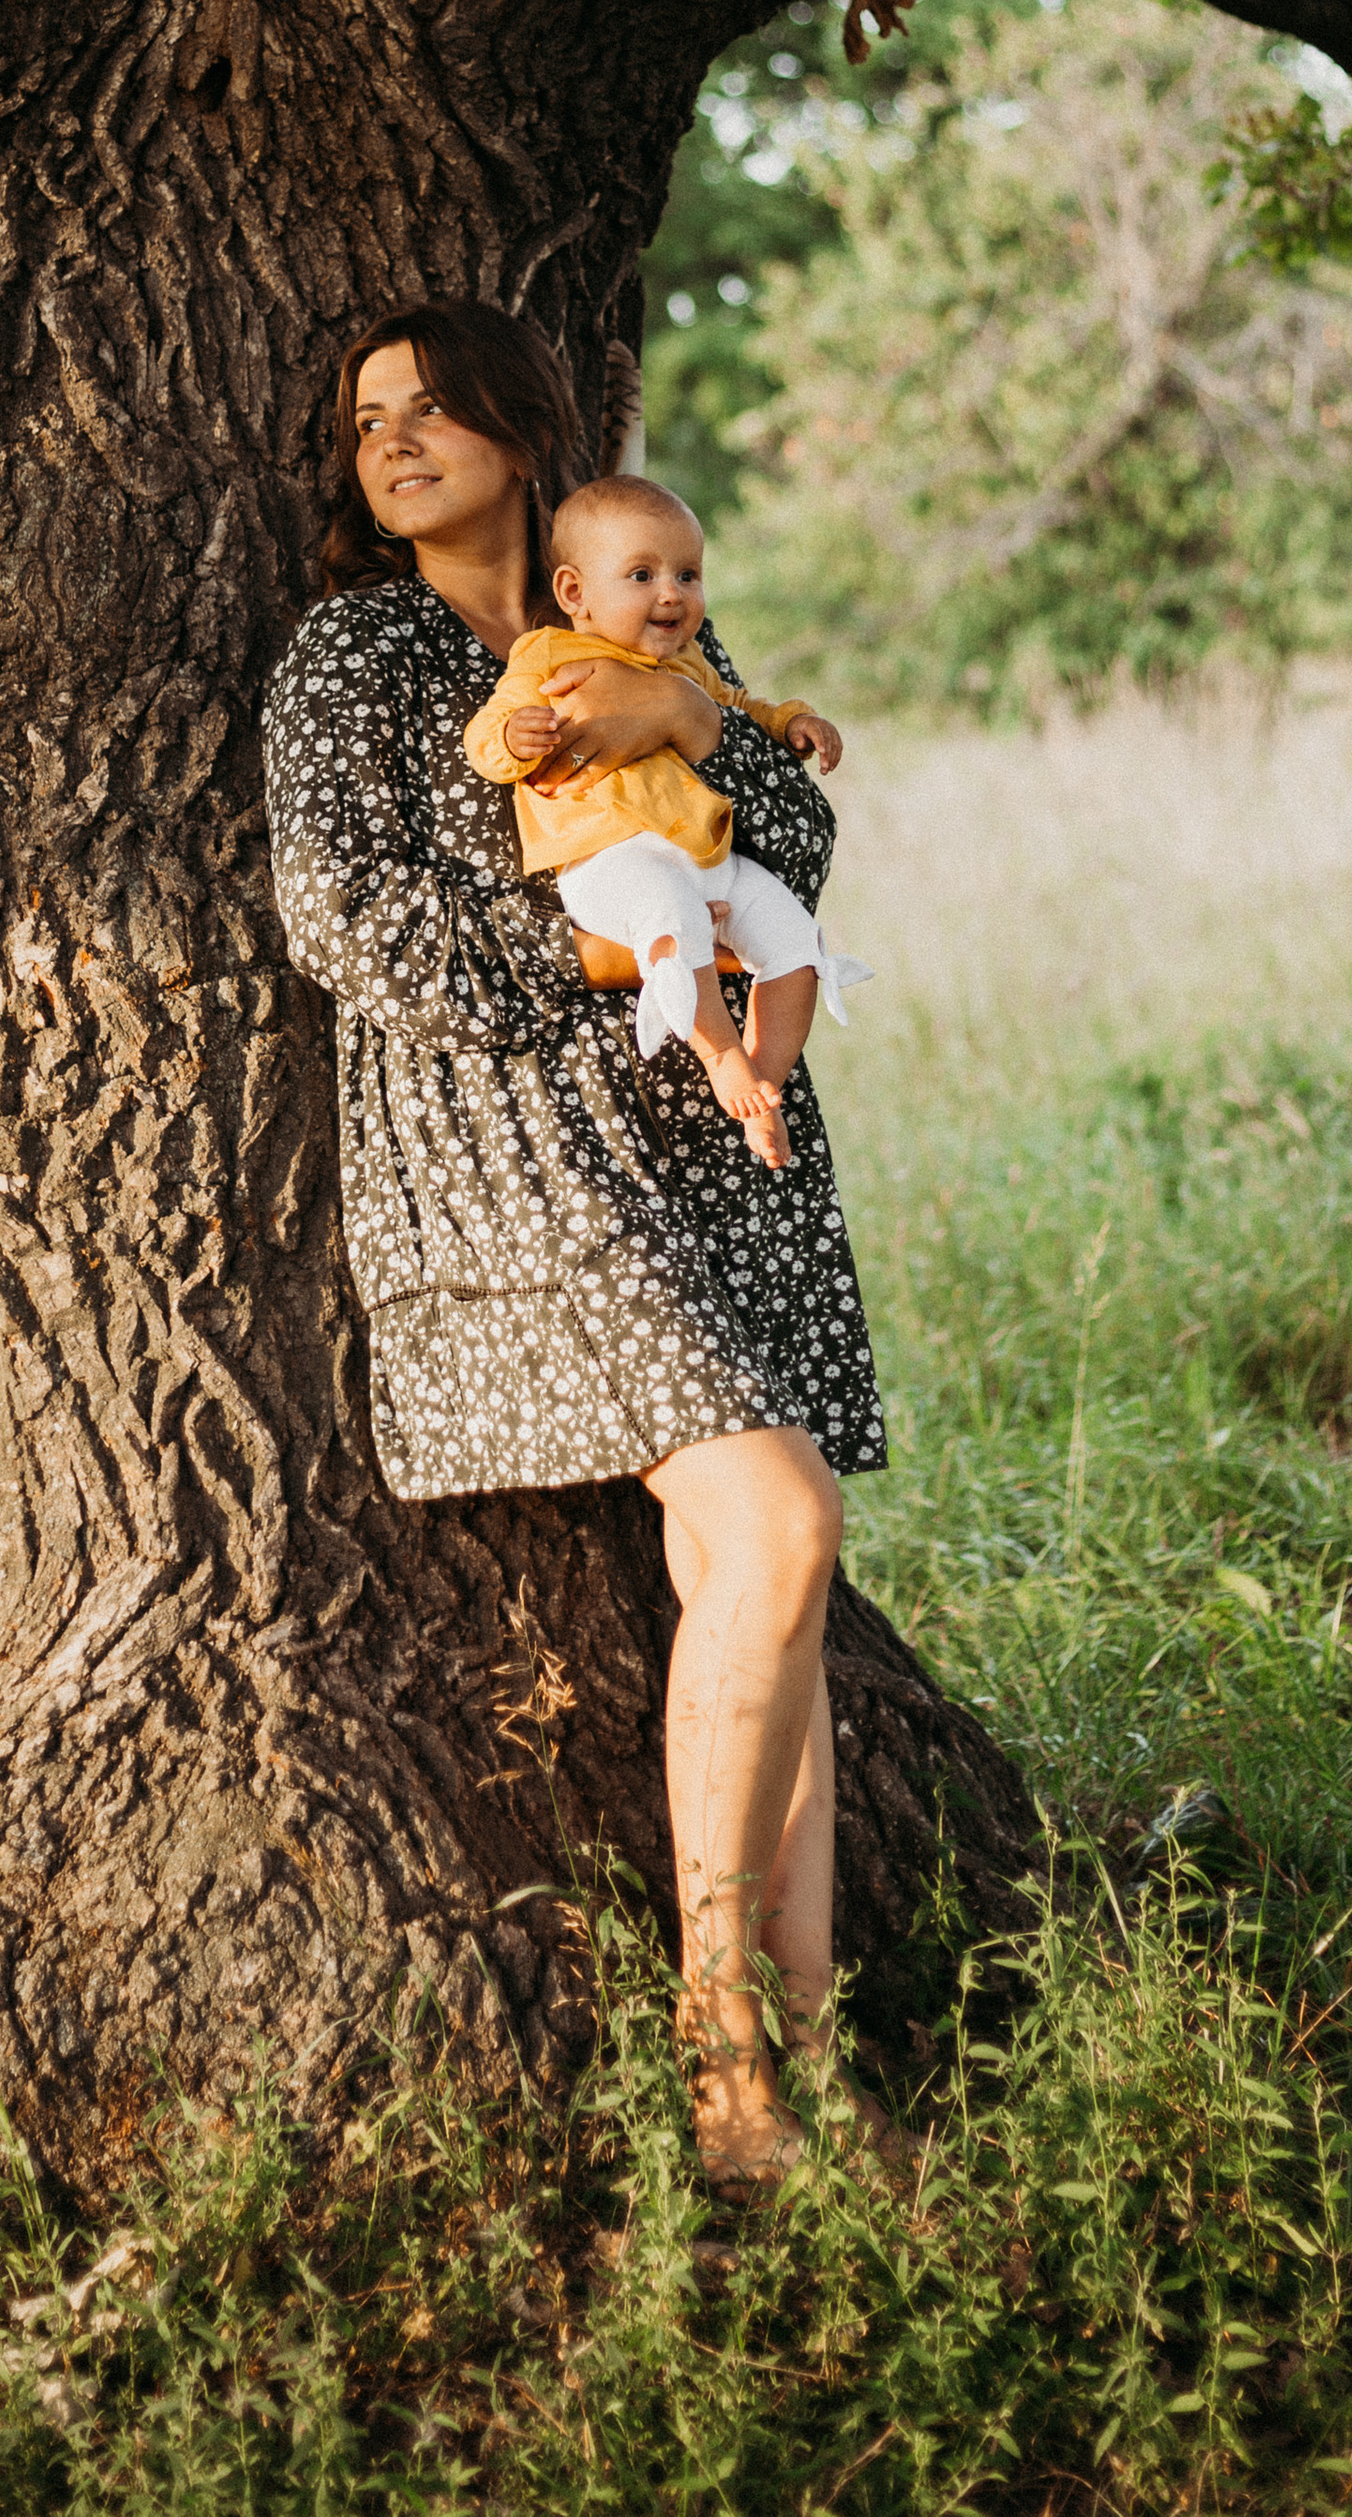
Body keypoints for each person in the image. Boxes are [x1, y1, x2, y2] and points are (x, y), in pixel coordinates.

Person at [261, 300, 896, 2190]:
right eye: (365, 416)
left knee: (755, 1579)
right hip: (508, 1155)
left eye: (431, 407)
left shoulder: (622, 601)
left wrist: (697, 708)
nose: (393, 440)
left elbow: (787, 827)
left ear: (523, 430)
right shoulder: (351, 655)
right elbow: (346, 927)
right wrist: (614, 953)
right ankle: (720, 2058)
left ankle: (801, 2061)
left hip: (710, 1139)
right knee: (779, 1528)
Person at [461, 471, 871, 1164]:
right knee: (673, 922)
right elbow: (487, 734)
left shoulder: (688, 664)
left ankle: (763, 1083)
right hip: (613, 861)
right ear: (573, 593)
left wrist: (793, 720)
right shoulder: (548, 655)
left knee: (795, 942)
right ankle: (722, 1059)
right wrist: (511, 739)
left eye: (688, 573)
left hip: (705, 851)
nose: (671, 593)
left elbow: (741, 708)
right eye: (642, 574)